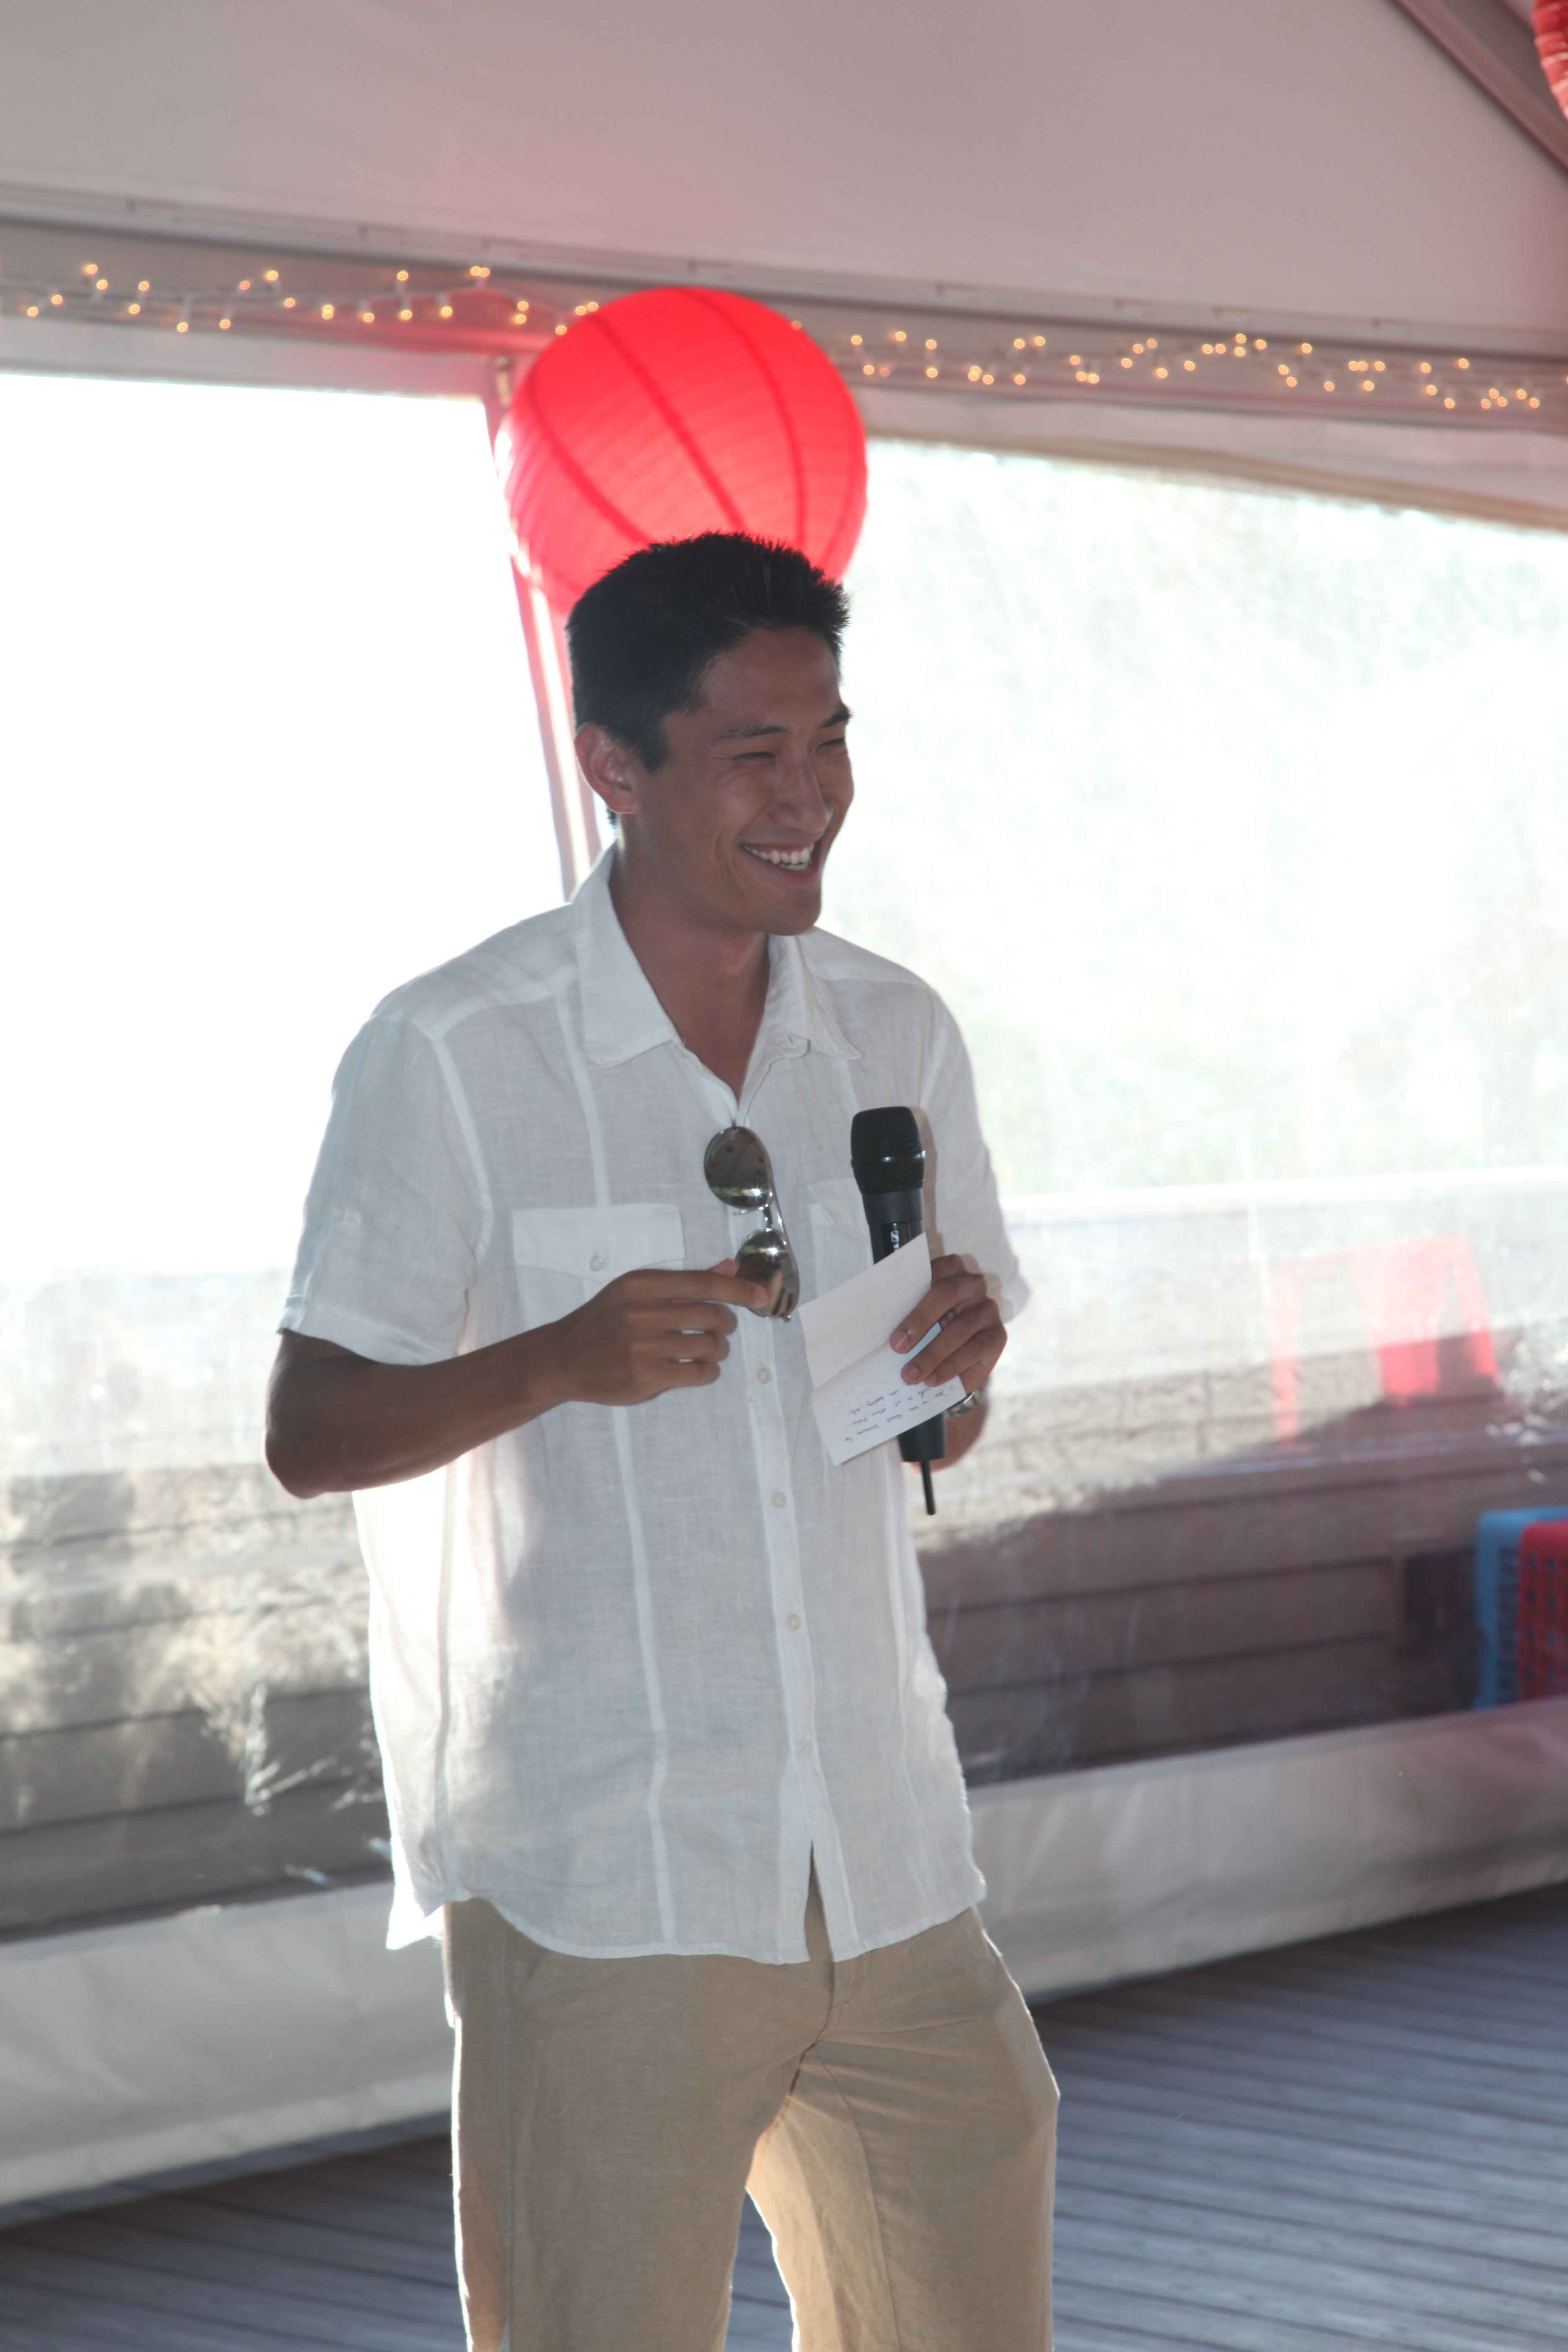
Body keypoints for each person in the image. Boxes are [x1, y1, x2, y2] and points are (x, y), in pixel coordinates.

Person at [265, 531, 1056, 2352]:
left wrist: (959, 1363)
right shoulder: (456, 1051)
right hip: (607, 1874)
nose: (812, 797)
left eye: (832, 742)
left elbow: (942, 1416)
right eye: (755, 753)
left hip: (885, 1850)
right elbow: (312, 1430)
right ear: (613, 765)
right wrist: (556, 1357)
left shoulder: (896, 1030)